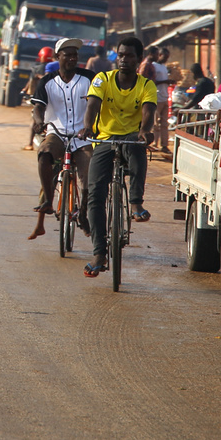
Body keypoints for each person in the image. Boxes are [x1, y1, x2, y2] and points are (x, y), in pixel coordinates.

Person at [81, 36, 156, 278]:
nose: (124, 59)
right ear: (116, 56)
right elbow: (92, 106)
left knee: (137, 148)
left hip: (131, 138)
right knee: (95, 195)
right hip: (105, 139)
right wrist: (89, 127)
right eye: (120, 55)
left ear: (139, 59)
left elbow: (148, 112)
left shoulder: (146, 85)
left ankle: (135, 203)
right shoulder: (102, 79)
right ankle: (99, 253)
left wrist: (145, 131)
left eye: (129, 55)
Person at [27, 38, 94, 242]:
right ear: (58, 57)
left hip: (82, 137)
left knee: (90, 172)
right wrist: (39, 122)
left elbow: (97, 103)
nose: (72, 58)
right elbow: (38, 107)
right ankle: (48, 200)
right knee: (45, 156)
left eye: (75, 55)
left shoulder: (90, 78)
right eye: (67, 55)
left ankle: (84, 213)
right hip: (57, 132)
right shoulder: (47, 81)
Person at [144, 47, 173, 157]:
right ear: (159, 55)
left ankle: (164, 145)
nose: (165, 59)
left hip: (165, 96)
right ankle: (154, 144)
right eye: (164, 57)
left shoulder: (164, 67)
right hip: (156, 97)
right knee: (155, 123)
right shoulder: (153, 66)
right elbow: (152, 81)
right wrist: (165, 81)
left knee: (165, 123)